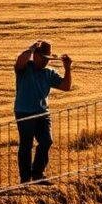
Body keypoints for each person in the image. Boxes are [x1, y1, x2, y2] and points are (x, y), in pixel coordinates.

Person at [13, 40, 72, 184]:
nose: (46, 62)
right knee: (26, 145)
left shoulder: (49, 73)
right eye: (44, 58)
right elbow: (19, 61)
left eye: (48, 59)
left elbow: (65, 86)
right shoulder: (25, 68)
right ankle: (26, 179)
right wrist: (31, 49)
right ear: (36, 56)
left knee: (46, 141)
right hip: (24, 111)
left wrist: (68, 69)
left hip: (42, 113)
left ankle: (38, 174)